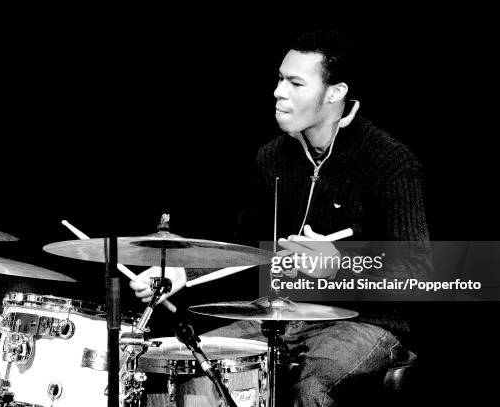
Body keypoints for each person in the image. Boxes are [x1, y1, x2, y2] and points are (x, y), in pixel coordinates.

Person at [130, 30, 432, 406]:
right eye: (279, 78)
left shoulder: (391, 162)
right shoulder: (271, 157)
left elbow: (417, 269)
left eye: (295, 82)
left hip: (363, 323)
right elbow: (244, 246)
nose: (278, 91)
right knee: (189, 361)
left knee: (312, 387)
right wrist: (181, 273)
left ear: (335, 93)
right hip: (278, 314)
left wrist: (340, 266)